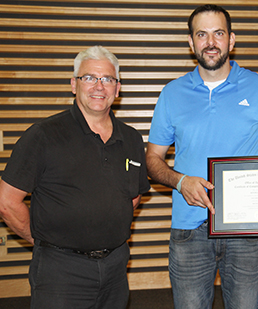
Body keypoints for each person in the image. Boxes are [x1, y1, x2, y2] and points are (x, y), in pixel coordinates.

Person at [145, 4, 258, 308]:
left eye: (218, 33)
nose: (210, 42)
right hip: (189, 229)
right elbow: (152, 160)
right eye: (202, 34)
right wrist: (181, 181)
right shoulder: (171, 94)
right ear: (191, 42)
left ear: (231, 40)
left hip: (246, 232)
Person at [0, 45, 150, 308]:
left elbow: (133, 196)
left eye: (107, 79)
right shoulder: (43, 135)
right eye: (89, 78)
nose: (99, 86)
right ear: (74, 84)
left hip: (115, 268)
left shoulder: (131, 138)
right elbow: (7, 202)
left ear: (117, 88)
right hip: (60, 272)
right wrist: (43, 241)